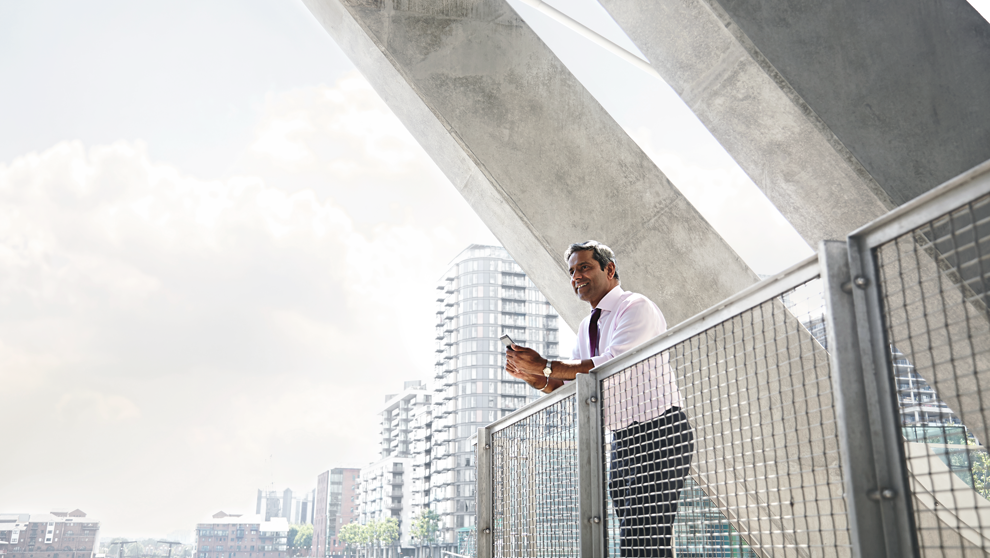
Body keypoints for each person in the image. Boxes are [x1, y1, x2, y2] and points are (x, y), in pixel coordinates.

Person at [505, 240, 694, 557]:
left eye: (584, 267)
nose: (576, 276)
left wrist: (548, 365)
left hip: (662, 431)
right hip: (624, 440)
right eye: (571, 271)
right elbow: (581, 384)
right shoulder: (585, 326)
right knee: (636, 536)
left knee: (644, 535)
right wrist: (536, 377)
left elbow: (613, 364)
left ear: (610, 269)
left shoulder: (636, 307)